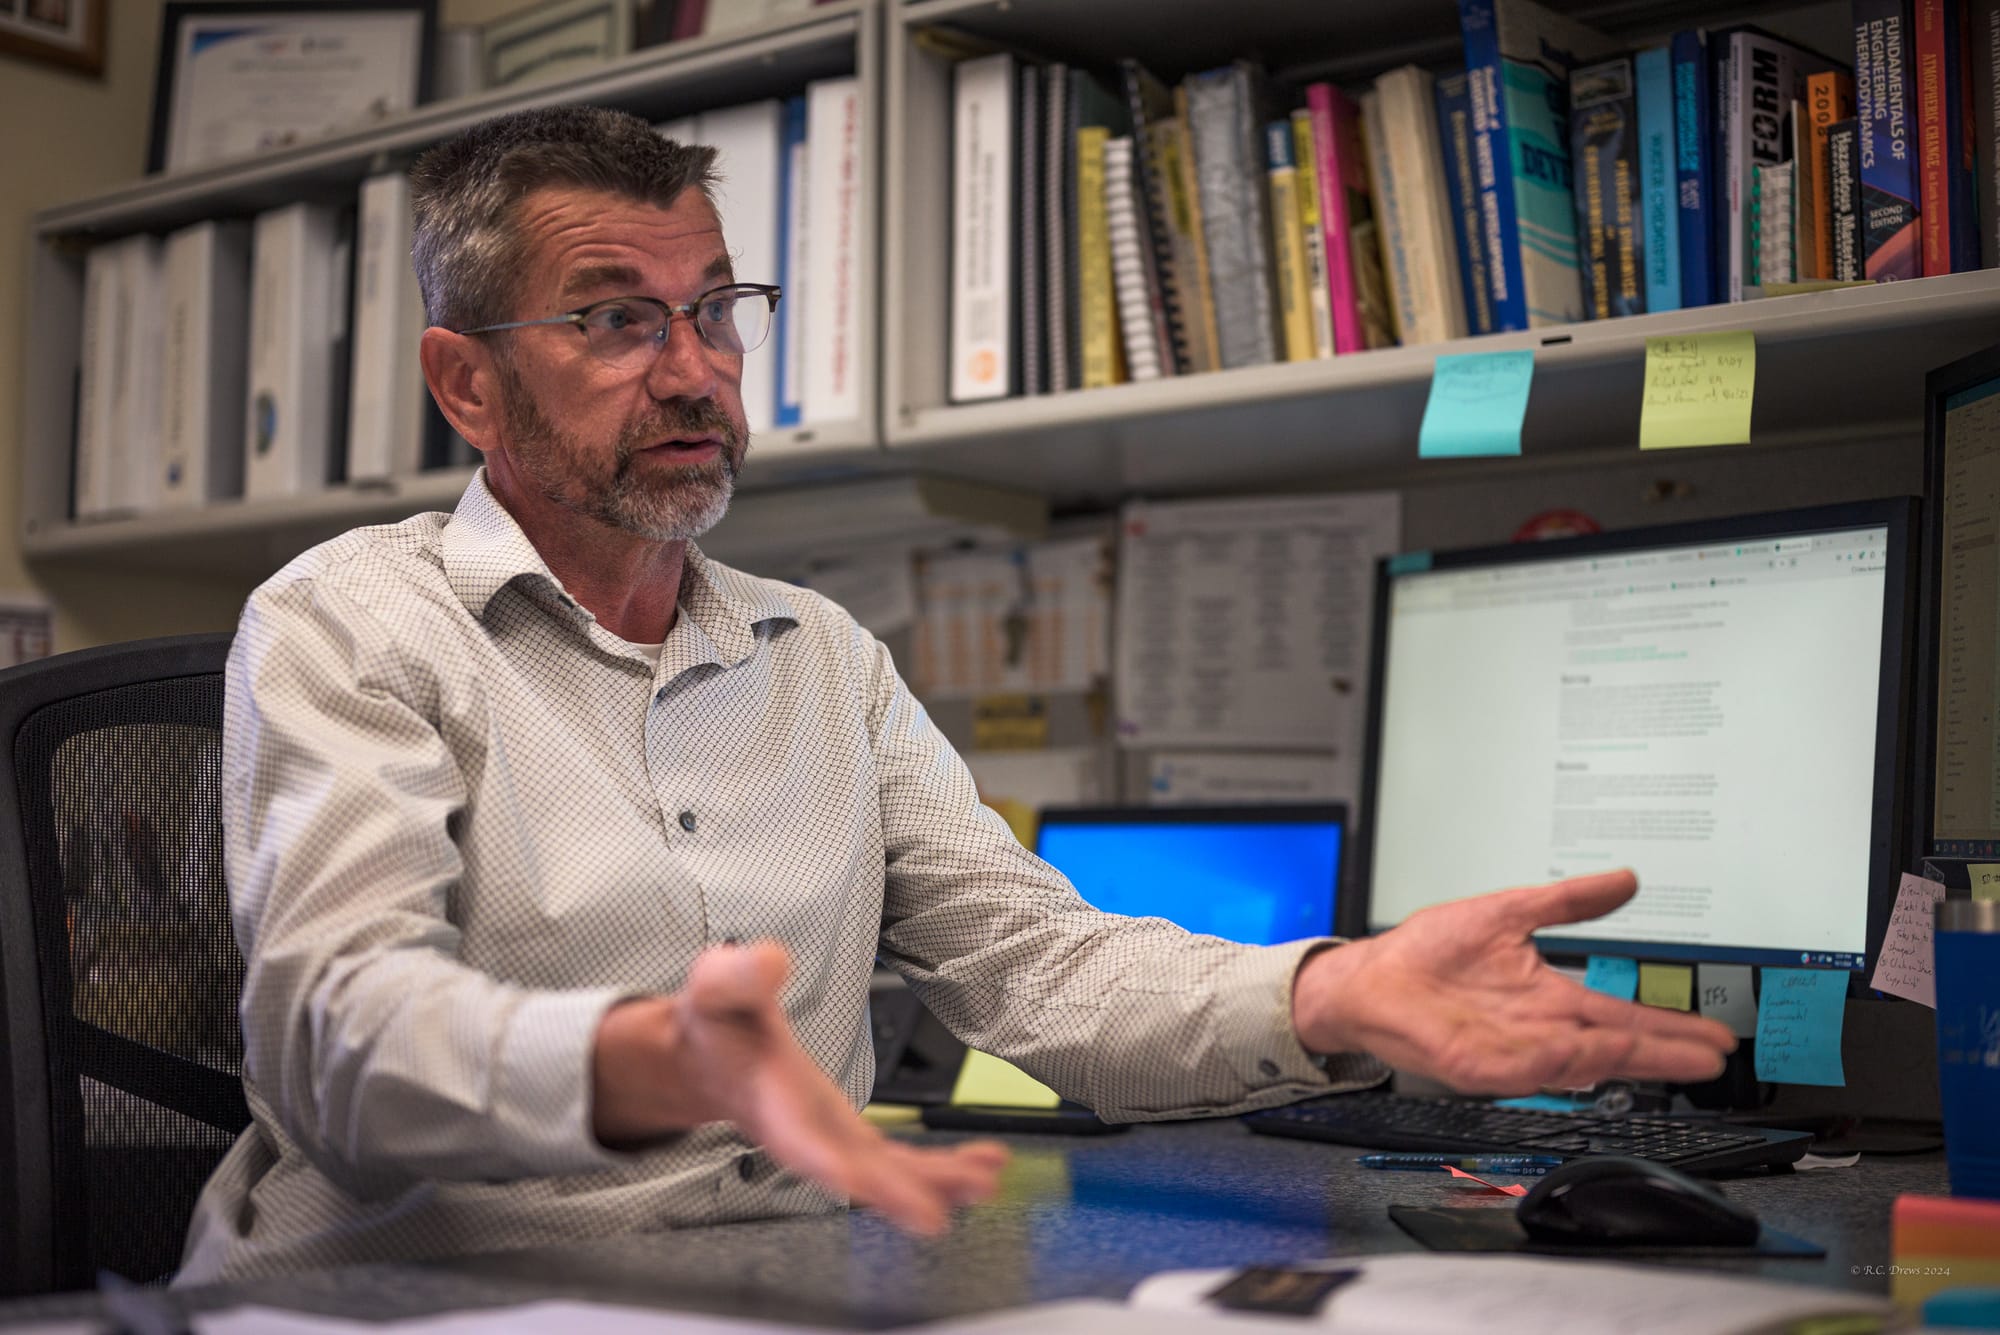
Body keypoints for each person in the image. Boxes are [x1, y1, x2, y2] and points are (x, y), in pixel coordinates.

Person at [179, 105, 1735, 1284]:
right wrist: (637, 1065)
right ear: (469, 384)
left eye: (717, 309)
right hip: (412, 1304)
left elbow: (1039, 969)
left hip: (771, 1302)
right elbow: (334, 1034)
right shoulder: (349, 627)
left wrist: (1328, 995)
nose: (693, 370)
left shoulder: (822, 658)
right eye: (614, 319)